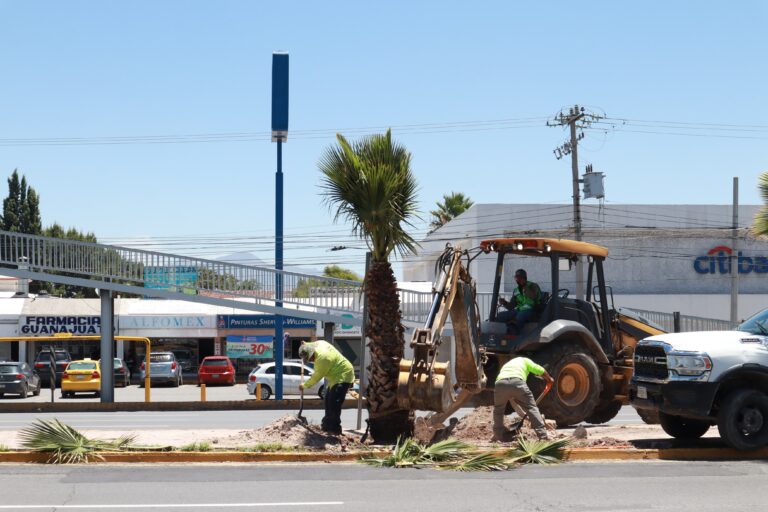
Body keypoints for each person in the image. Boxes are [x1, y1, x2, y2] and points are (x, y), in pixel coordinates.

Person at [298, 340, 355, 435]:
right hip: (334, 377)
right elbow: (311, 344)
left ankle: (334, 430)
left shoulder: (322, 359)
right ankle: (326, 427)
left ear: (312, 353)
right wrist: (306, 344)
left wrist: (305, 385)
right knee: (328, 401)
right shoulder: (319, 343)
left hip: (343, 374)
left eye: (311, 358)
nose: (311, 360)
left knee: (334, 403)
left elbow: (317, 376)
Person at [493, 356, 554, 441]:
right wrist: (549, 379)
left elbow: (508, 386)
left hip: (500, 384)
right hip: (517, 382)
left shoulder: (507, 365)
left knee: (498, 410)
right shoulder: (525, 361)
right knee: (531, 408)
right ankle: (543, 436)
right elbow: (540, 370)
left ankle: (497, 436)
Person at [496, 269, 541, 333]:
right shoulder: (516, 290)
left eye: (519, 278)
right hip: (518, 310)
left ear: (524, 278)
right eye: (516, 278)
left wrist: (526, 288)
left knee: (520, 316)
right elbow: (511, 306)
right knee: (501, 315)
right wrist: (504, 302)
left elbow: (535, 298)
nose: (517, 280)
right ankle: (501, 334)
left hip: (532, 309)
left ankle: (518, 336)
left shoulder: (533, 286)